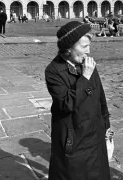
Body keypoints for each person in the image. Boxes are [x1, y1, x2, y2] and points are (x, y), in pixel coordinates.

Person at [45, 21, 111, 180]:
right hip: (74, 138)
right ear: (68, 49)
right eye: (84, 46)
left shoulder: (87, 64)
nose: (88, 51)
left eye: (89, 45)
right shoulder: (54, 71)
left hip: (95, 135)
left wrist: (106, 125)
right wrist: (85, 78)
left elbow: (100, 97)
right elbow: (65, 104)